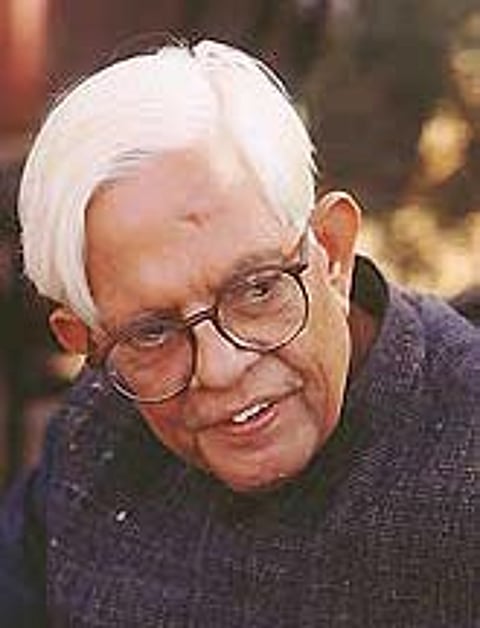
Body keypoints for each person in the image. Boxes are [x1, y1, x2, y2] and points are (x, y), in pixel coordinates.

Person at [0, 40, 478, 627]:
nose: (222, 368)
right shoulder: (95, 430)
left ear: (332, 252)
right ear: (86, 344)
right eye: (154, 332)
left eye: (257, 290)